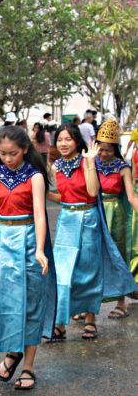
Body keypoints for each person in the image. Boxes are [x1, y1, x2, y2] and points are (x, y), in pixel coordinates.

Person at [0, 126, 56, 390]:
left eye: (13, 154)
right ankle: (12, 351)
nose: (7, 158)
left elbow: (40, 215)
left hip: (29, 241)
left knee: (30, 306)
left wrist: (41, 249)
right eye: (3, 153)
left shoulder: (35, 177)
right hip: (1, 243)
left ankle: (28, 366)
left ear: (25, 150)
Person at [47, 124, 136, 340]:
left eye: (68, 139)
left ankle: (90, 319)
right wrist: (39, 192)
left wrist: (88, 163)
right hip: (67, 220)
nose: (63, 144)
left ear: (77, 141)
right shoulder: (56, 166)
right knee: (62, 274)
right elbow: (63, 197)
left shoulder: (89, 161)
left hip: (89, 219)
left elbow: (93, 191)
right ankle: (60, 323)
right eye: (60, 140)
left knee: (88, 272)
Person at [95, 118, 138, 318]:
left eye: (108, 150)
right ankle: (88, 304)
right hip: (95, 213)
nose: (104, 154)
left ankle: (121, 302)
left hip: (117, 215)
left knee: (118, 256)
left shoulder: (123, 167)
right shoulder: (90, 164)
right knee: (93, 258)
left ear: (116, 150)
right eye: (101, 149)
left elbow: (131, 197)